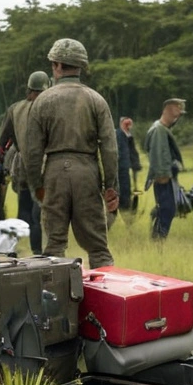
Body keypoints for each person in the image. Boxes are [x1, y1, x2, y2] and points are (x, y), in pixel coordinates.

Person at [22, 38, 119, 268]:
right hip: (87, 171)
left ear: (56, 65)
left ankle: (55, 301)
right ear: (81, 66)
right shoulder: (97, 100)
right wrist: (110, 186)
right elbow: (110, 148)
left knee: (54, 246)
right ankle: (108, 297)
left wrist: (37, 185)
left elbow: (32, 152)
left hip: (54, 173)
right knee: (98, 247)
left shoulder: (42, 101)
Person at [0, 70, 49, 253]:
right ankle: (37, 252)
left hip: (21, 165)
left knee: (23, 208)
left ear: (28, 89)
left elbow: (3, 141)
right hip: (44, 165)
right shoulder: (49, 107)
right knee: (37, 211)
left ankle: (11, 250)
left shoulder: (15, 109)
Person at [145, 98, 185, 239]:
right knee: (167, 209)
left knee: (167, 209)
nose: (179, 116)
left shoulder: (162, 129)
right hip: (163, 178)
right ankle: (158, 241)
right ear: (168, 111)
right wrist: (163, 177)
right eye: (177, 113)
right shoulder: (159, 130)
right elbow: (158, 155)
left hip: (167, 177)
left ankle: (158, 237)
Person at [115, 116, 142, 218]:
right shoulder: (118, 135)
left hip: (128, 170)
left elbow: (133, 152)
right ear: (121, 124)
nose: (129, 126)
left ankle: (128, 211)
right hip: (121, 170)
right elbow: (118, 153)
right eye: (126, 124)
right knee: (123, 191)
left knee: (129, 191)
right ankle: (125, 211)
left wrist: (136, 166)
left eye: (130, 125)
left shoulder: (128, 137)